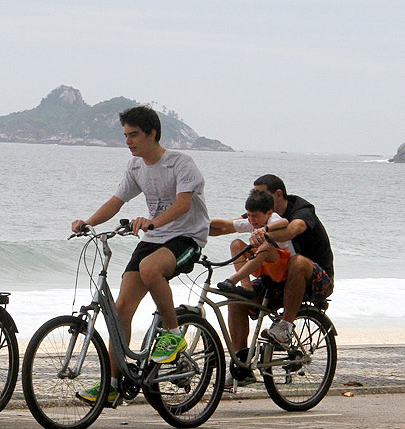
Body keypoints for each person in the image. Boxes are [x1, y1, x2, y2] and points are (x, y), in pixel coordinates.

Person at [71, 105, 210, 405]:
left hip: (186, 237)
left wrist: (152, 222)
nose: (128, 142)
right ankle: (112, 382)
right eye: (125, 135)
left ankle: (173, 333)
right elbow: (116, 201)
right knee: (121, 309)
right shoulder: (135, 168)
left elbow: (184, 205)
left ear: (152, 133)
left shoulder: (180, 164)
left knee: (150, 268)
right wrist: (89, 222)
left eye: (134, 135)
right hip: (155, 237)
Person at [231, 174, 334, 353]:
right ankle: (240, 362)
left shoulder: (301, 208)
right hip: (278, 280)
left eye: (260, 193)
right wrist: (195, 229)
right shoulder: (260, 213)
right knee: (236, 299)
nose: (256, 199)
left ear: (278, 194)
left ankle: (285, 328)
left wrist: (266, 234)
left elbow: (295, 228)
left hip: (316, 279)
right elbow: (227, 225)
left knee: (297, 262)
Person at [211, 189, 294, 295]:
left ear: (268, 213)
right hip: (266, 268)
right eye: (249, 215)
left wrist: (265, 228)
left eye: (254, 216)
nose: (251, 219)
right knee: (236, 244)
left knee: (266, 247)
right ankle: (246, 285)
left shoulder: (272, 218)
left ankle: (232, 280)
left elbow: (285, 222)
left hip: (283, 269)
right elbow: (227, 224)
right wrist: (203, 224)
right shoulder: (253, 222)